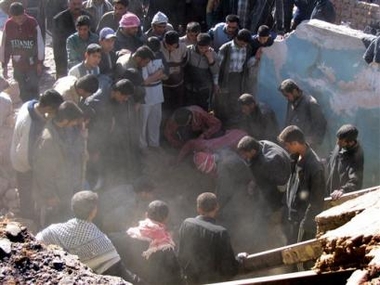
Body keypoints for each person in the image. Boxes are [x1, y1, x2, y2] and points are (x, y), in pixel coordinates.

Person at [35, 190, 142, 284]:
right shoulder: (102, 241)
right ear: (93, 212)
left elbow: (36, 241)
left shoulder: (54, 230)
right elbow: (121, 272)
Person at [10, 90, 63, 221]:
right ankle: (29, 220)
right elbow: (25, 154)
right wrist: (38, 170)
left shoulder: (30, 104)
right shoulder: (30, 125)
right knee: (27, 193)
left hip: (20, 154)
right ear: (49, 108)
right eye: (55, 111)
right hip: (23, 164)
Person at [32, 101, 85, 227]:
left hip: (65, 185)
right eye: (74, 121)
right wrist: (49, 195)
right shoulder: (48, 140)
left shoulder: (63, 129)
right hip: (54, 192)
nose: (75, 124)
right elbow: (43, 171)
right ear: (65, 120)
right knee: (52, 224)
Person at [178, 192, 242, 284]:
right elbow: (229, 270)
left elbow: (181, 256)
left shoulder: (186, 223)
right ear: (217, 207)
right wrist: (240, 259)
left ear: (198, 208)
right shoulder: (220, 232)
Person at [277, 125, 325, 245]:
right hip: (292, 218)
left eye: (287, 145)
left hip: (302, 222)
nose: (286, 148)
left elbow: (316, 200)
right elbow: (291, 186)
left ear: (295, 143)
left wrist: (306, 224)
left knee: (300, 259)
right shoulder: (295, 158)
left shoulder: (314, 167)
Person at [120, 200, 183, 285]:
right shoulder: (166, 245)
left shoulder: (129, 234)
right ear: (166, 218)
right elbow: (176, 276)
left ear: (146, 215)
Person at [0, 2, 44, 102]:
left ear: (24, 13)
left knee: (33, 87)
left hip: (32, 62)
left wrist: (40, 62)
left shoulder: (32, 23)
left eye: (20, 17)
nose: (18, 20)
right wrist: (4, 64)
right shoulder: (8, 24)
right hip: (17, 63)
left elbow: (40, 44)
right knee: (21, 88)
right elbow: (5, 46)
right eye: (15, 18)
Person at [216, 29, 252, 127]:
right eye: (243, 43)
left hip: (238, 78)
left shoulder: (247, 48)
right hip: (225, 78)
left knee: (236, 101)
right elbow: (217, 68)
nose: (244, 45)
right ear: (237, 39)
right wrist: (216, 83)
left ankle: (233, 124)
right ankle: (221, 124)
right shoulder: (225, 48)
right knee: (223, 103)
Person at [279, 78, 327, 148]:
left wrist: (312, 141)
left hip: (306, 146)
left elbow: (321, 123)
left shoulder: (310, 103)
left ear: (294, 91)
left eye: (287, 95)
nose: (286, 98)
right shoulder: (291, 102)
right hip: (294, 145)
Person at [52, 0, 93, 78]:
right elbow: (57, 47)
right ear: (68, 4)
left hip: (86, 61)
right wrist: (60, 69)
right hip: (66, 60)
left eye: (79, 4)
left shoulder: (89, 17)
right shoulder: (59, 19)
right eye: (74, 4)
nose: (76, 7)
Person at [139, 37, 167, 151]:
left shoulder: (160, 55)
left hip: (158, 92)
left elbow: (166, 74)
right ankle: (142, 146)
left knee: (156, 120)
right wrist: (159, 73)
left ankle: (154, 144)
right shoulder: (143, 58)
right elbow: (145, 80)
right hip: (146, 94)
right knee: (143, 122)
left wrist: (156, 76)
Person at [326, 124, 364, 200]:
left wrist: (343, 190)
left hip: (338, 198)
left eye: (340, 141)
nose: (337, 143)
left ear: (350, 142)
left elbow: (355, 182)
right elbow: (333, 156)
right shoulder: (341, 145)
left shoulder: (357, 157)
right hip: (329, 190)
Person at [185, 33, 219, 111]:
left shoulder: (213, 54)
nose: (203, 50)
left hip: (205, 87)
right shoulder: (189, 50)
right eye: (201, 48)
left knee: (203, 108)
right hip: (190, 85)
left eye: (205, 47)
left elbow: (216, 72)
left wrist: (210, 59)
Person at [161, 31, 188, 116]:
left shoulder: (183, 47)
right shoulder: (159, 46)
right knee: (164, 109)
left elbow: (185, 62)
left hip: (178, 84)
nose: (171, 48)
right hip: (163, 85)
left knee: (177, 108)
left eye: (173, 46)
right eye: (168, 46)